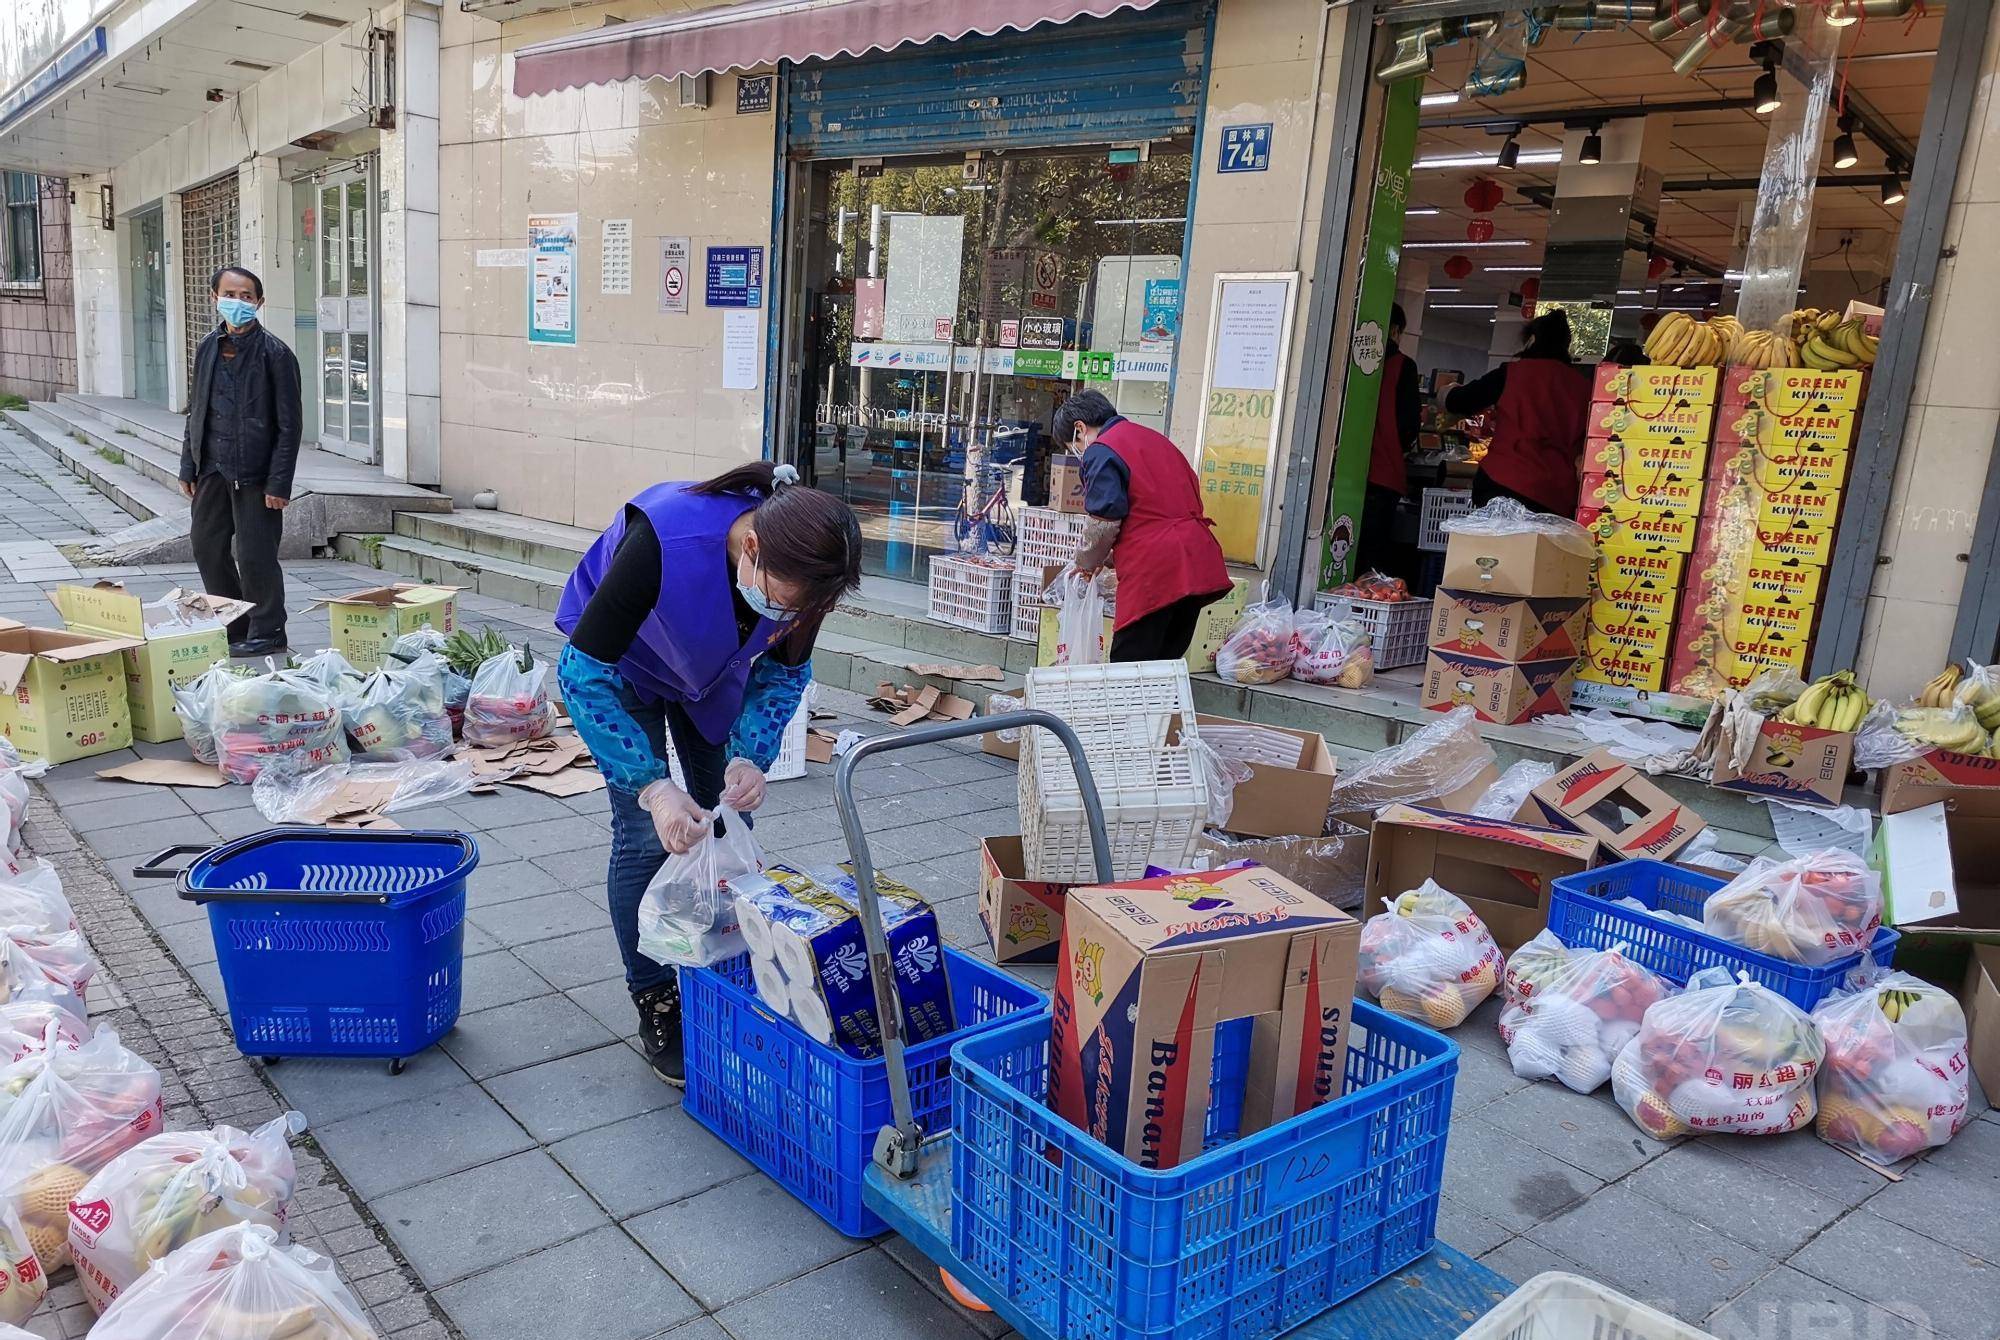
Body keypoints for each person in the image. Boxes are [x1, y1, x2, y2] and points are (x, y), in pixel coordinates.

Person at [555, 461, 862, 1083]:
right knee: (649, 835)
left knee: (720, 817)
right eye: (780, 601)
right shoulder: (661, 541)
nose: (787, 614)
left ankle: (717, 964)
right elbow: (581, 674)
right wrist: (651, 787)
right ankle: (656, 996)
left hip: (712, 672)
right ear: (751, 548)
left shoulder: (806, 583)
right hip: (625, 667)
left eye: (798, 608)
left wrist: (752, 752)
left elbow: (783, 671)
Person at [177, 265, 302, 657]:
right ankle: (234, 622)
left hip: (255, 474)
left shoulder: (276, 355)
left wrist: (279, 483)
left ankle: (269, 630)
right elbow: (196, 409)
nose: (238, 303)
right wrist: (188, 464)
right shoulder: (207, 347)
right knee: (206, 546)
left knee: (254, 554)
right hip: (212, 467)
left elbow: (289, 425)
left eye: (246, 297)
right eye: (230, 295)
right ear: (214, 297)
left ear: (259, 303)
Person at [1056, 390, 1231, 662]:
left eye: (1072, 446)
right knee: (1165, 662)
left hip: (1156, 569)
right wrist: (1113, 557)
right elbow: (1155, 508)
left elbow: (1104, 520)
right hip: (1196, 560)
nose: (1077, 453)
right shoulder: (1154, 439)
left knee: (1129, 665)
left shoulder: (1103, 449)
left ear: (1080, 428)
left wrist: (1086, 562)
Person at [1440, 309, 1592, 517]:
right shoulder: (1584, 387)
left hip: (1503, 481)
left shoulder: (1512, 373)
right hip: (1555, 494)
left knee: (1493, 548)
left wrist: (1447, 390)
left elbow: (1459, 401)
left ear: (1532, 340)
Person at [1357, 303, 1422, 576]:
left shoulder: (1352, 362)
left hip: (1347, 472)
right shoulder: (1403, 366)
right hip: (1384, 473)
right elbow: (1410, 423)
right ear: (1395, 330)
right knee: (1375, 551)